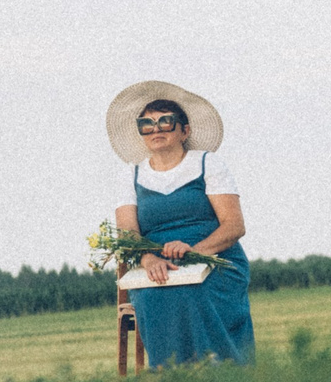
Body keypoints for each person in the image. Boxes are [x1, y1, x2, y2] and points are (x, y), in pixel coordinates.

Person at [106, 79, 255, 366]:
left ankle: (222, 378)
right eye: (146, 124)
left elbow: (234, 226)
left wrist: (194, 250)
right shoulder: (130, 176)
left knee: (193, 291)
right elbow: (128, 235)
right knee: (153, 298)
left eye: (166, 121)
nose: (156, 129)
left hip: (214, 259)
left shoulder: (208, 164)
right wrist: (148, 259)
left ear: (185, 129)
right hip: (155, 267)